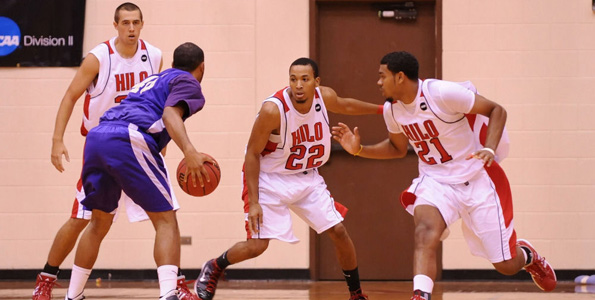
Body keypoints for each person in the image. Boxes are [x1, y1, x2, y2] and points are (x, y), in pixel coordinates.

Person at [331, 51, 557, 300]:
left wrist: (489, 148)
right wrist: (359, 150)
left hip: (476, 178)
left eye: (382, 76)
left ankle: (527, 255)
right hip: (436, 181)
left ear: (400, 77)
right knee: (424, 231)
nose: (378, 82)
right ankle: (420, 296)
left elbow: (496, 110)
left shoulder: (441, 93)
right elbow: (397, 149)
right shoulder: (392, 111)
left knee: (505, 264)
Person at [33, 3, 198, 300]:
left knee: (161, 213)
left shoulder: (154, 56)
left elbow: (161, 104)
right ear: (115, 25)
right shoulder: (99, 57)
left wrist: (159, 146)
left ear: (142, 24)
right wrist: (57, 140)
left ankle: (176, 283)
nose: (131, 29)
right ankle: (47, 277)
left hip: (136, 145)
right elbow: (71, 96)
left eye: (136, 23)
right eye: (125, 23)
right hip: (103, 143)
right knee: (85, 219)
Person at [193, 58, 381, 300]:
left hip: (306, 178)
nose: (298, 85)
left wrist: (383, 109)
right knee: (257, 246)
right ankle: (214, 266)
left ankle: (356, 295)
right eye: (293, 79)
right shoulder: (274, 110)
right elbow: (251, 154)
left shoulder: (324, 97)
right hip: (269, 179)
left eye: (304, 79)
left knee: (339, 231)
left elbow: (346, 105)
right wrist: (254, 202)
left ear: (317, 82)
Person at [63, 42, 210, 300]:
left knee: (99, 222)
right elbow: (170, 115)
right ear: (201, 67)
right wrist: (190, 151)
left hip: (98, 137)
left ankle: (72, 296)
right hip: (128, 138)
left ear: (173, 63)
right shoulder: (189, 81)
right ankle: (169, 295)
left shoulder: (155, 78)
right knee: (166, 220)